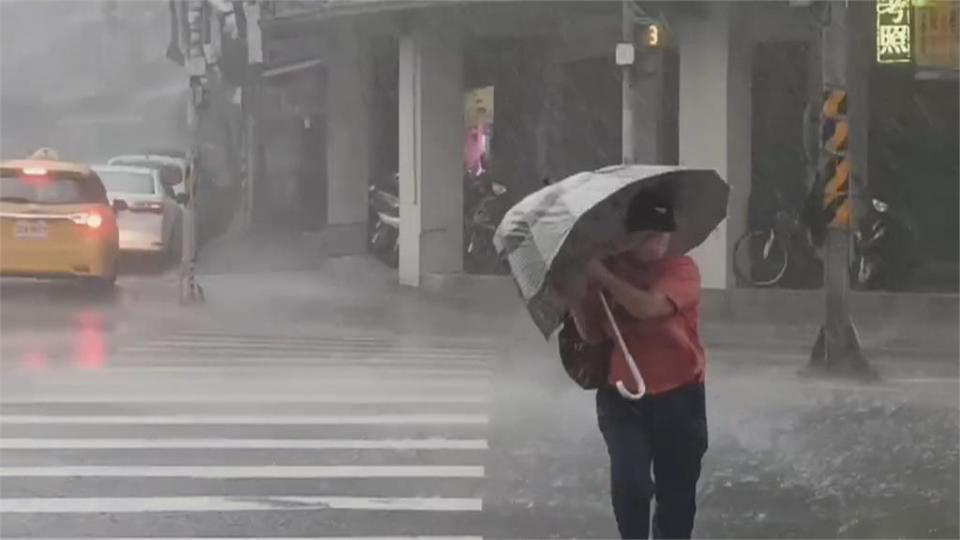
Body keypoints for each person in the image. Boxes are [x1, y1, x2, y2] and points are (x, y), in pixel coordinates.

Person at [564, 190, 708, 539]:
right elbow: (593, 336)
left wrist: (606, 278)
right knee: (631, 485)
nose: (657, 243)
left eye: (663, 234)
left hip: (681, 396)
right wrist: (578, 290)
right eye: (648, 235)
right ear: (630, 237)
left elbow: (648, 308)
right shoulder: (609, 269)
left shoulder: (682, 269)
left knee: (677, 503)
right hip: (623, 397)